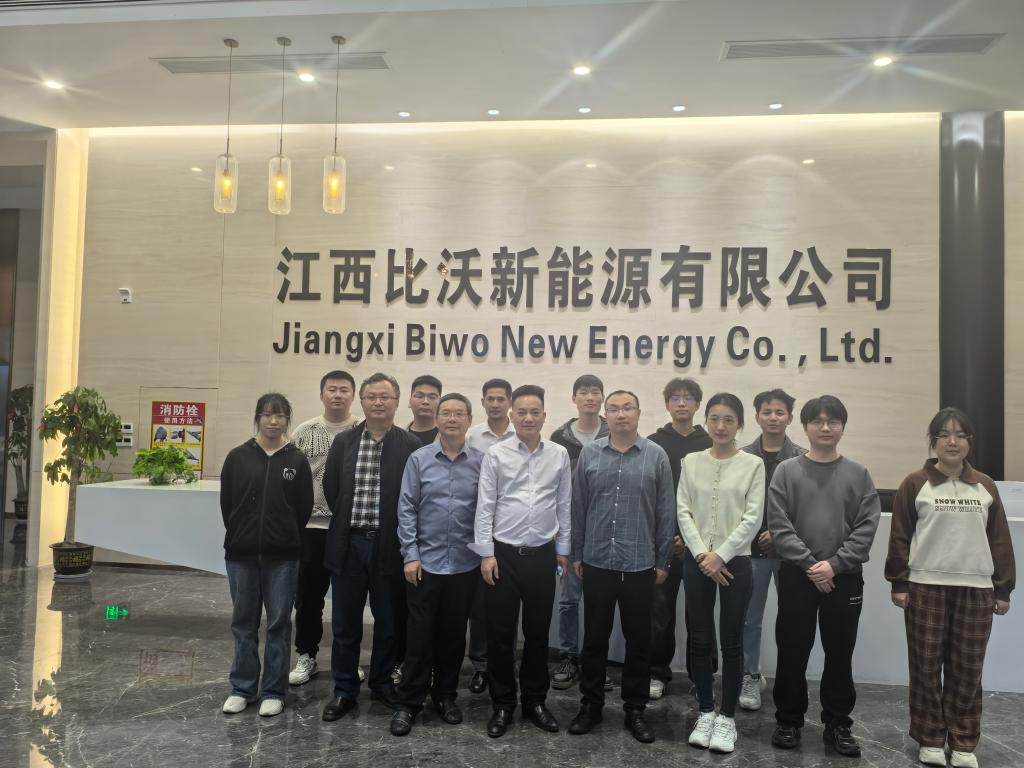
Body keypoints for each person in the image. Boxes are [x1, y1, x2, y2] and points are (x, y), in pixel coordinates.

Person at [885, 407, 1015, 768]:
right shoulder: (915, 483)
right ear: (934, 441)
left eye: (960, 435)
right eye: (944, 435)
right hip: (925, 587)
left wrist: (1003, 588)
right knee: (925, 667)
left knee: (968, 669)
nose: (952, 441)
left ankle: (963, 742)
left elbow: (999, 538)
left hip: (976, 590)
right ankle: (930, 738)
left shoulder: (985, 485)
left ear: (970, 442)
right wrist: (899, 581)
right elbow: (900, 536)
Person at [768, 395, 881, 758]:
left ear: (842, 427)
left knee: (840, 653)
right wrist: (810, 564)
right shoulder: (786, 471)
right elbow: (779, 525)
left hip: (843, 578)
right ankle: (788, 720)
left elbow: (866, 527)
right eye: (817, 421)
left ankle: (838, 724)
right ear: (805, 427)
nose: (825, 427)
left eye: (833, 421)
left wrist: (834, 565)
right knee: (792, 650)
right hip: (797, 576)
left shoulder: (858, 473)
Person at [568, 391, 675, 744]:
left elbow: (666, 511)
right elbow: (578, 506)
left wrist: (663, 559)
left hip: (640, 563)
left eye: (627, 407)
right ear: (606, 415)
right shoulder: (590, 453)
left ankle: (635, 709)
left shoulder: (656, 456)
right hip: (597, 561)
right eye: (613, 409)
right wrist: (578, 552)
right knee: (594, 639)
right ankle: (591, 705)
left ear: (638, 413)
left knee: (639, 641)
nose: (620, 414)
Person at [320, 373, 423, 722]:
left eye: (385, 397)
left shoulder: (410, 445)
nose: (378, 402)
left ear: (397, 402)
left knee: (389, 622)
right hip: (349, 545)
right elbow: (333, 489)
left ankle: (381, 682)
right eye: (372, 397)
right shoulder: (344, 442)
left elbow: (415, 498)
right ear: (362, 401)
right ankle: (344, 689)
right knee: (345, 623)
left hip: (389, 546)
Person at [473, 384, 571, 738]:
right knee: (500, 635)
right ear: (512, 416)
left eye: (535, 412)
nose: (528, 418)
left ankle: (534, 701)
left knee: (537, 633)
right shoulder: (496, 454)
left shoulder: (559, 454)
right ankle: (502, 704)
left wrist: (563, 549)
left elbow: (564, 504)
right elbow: (485, 505)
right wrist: (486, 553)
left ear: (544, 416)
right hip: (503, 556)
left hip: (542, 555)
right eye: (522, 412)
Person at [389, 393, 483, 736]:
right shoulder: (419, 459)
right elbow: (406, 508)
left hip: (465, 565)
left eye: (459, 413)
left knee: (453, 637)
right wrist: (411, 555)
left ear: (469, 420)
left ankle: (445, 696)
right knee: (418, 638)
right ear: (438, 419)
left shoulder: (482, 461)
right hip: (425, 565)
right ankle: (409, 703)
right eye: (446, 413)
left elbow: (487, 510)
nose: (452, 419)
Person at [677, 393, 764, 753]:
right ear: (706, 421)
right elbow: (683, 510)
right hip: (697, 561)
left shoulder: (753, 464)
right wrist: (702, 554)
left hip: (736, 562)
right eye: (714, 418)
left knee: (731, 640)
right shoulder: (691, 461)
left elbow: (753, 517)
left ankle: (727, 718)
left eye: (729, 419)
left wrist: (721, 556)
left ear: (739, 424)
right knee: (699, 638)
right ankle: (706, 711)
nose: (721, 426)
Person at [220, 393, 313, 718]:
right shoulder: (238, 457)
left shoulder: (296, 460)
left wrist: (281, 535)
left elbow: (302, 508)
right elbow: (228, 505)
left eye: (280, 415)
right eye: (267, 414)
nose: (273, 421)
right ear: (257, 417)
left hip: (283, 557)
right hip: (241, 555)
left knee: (278, 625)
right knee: (243, 623)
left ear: (288, 420)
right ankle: (243, 688)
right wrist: (243, 534)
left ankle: (274, 691)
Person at [288, 370, 359, 687]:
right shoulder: (304, 431)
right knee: (308, 598)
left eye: (344, 389)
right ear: (321, 394)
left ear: (353, 396)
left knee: (349, 599)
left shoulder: (362, 430)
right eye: (332, 389)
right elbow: (291, 479)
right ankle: (307, 655)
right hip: (311, 527)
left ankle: (348, 660)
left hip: (349, 527)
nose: (338, 395)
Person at [646, 376, 714, 700]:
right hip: (663, 543)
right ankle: (656, 673)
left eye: (688, 397)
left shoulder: (711, 442)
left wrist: (692, 539)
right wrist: (667, 537)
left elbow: (716, 497)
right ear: (667, 404)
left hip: (702, 544)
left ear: (698, 404)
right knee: (659, 614)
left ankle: (701, 675)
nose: (682, 403)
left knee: (700, 614)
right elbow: (650, 495)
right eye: (675, 397)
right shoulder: (653, 443)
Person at [738, 389, 805, 711]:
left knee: (792, 619)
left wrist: (779, 535)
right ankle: (750, 675)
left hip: (790, 554)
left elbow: (806, 508)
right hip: (750, 552)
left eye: (780, 412)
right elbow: (735, 504)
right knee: (749, 619)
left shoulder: (802, 458)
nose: (773, 418)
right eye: (767, 412)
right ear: (757, 416)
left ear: (790, 417)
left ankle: (790, 680)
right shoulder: (742, 457)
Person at [549, 374, 608, 691]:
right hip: (569, 529)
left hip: (604, 529)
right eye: (583, 392)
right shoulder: (560, 438)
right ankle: (569, 657)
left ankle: (596, 663)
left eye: (595, 392)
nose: (589, 397)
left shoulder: (613, 432)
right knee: (569, 599)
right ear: (574, 398)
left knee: (600, 601)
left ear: (602, 398)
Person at [464, 378, 515, 695]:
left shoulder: (521, 434)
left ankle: (505, 663)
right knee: (480, 604)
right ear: (483, 402)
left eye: (501, 399)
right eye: (490, 399)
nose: (495, 404)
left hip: (512, 531)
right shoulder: (471, 436)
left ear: (509, 402)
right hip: (478, 529)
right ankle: (481, 665)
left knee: (507, 603)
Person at [407, 374, 442, 446]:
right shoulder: (396, 438)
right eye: (419, 396)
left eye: (432, 397)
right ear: (410, 402)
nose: (425, 402)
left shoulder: (450, 439)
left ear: (440, 403)